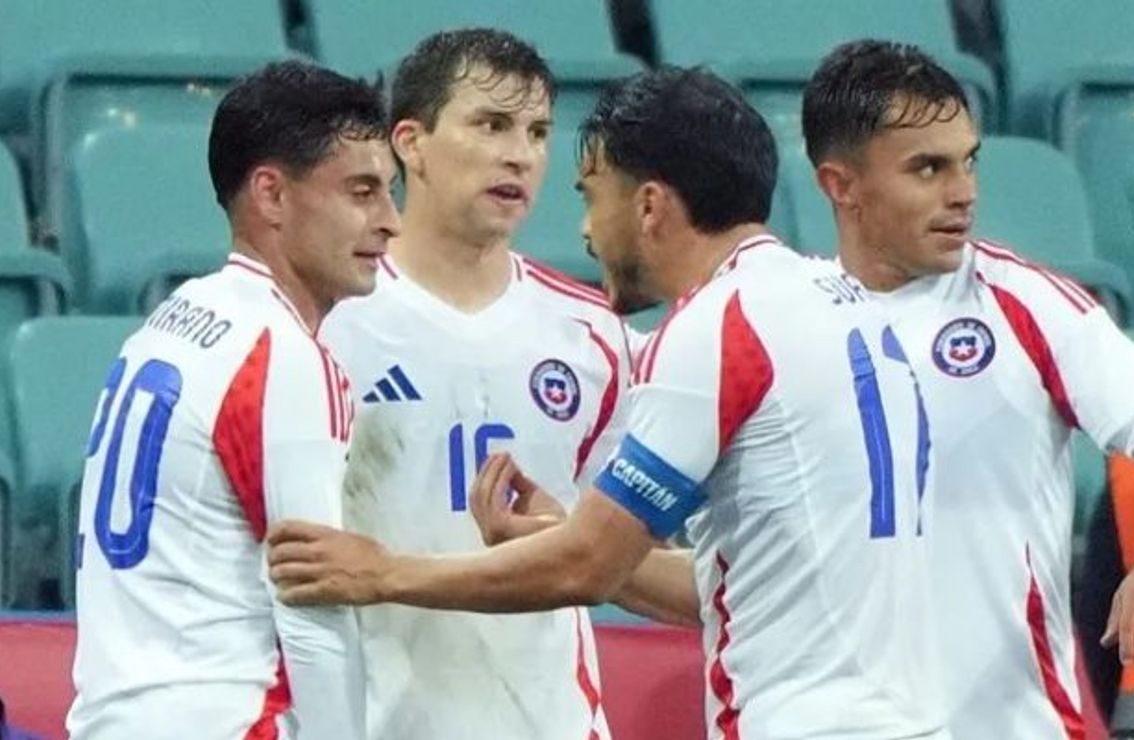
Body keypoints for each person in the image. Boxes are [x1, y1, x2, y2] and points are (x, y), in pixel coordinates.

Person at [270, 66, 951, 740]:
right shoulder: (859, 310)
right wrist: (565, 537)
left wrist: (383, 572)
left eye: (592, 197)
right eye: (493, 125)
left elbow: (587, 565)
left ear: (648, 207)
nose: (587, 231)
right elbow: (715, 584)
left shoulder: (713, 330)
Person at [800, 39, 1134, 740]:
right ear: (841, 185)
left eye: (969, 162)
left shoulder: (1029, 307)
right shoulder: (779, 320)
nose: (964, 192)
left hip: (1010, 723)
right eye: (928, 168)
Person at [68, 60, 400, 739]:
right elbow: (314, 606)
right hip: (225, 717)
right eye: (362, 191)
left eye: (389, 192)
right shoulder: (283, 354)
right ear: (271, 194)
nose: (390, 222)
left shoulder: (170, 321)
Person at [317, 29, 631, 740]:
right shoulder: (331, 323)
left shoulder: (595, 336)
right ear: (410, 143)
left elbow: (619, 555)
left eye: (537, 132)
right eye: (490, 125)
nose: (520, 154)